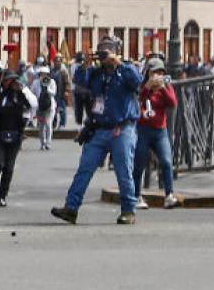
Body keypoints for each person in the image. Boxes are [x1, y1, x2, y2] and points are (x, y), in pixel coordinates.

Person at [52, 38, 142, 225]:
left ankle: (128, 210)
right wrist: (85, 63)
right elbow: (79, 80)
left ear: (116, 52)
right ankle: (71, 208)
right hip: (99, 129)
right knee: (84, 168)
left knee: (124, 171)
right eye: (101, 51)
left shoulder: (126, 69)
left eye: (107, 51)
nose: (103, 55)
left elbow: (137, 82)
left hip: (122, 128)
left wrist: (117, 63)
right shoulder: (95, 73)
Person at [133, 58, 181, 210]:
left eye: (161, 72)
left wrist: (163, 88)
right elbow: (135, 102)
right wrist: (147, 88)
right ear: (148, 73)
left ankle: (169, 195)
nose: (157, 76)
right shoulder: (142, 86)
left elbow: (172, 103)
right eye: (154, 72)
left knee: (166, 162)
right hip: (142, 129)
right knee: (139, 163)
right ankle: (136, 195)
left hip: (160, 130)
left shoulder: (165, 86)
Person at [0, 72, 33, 207]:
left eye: (13, 81)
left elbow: (31, 106)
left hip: (15, 136)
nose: (11, 83)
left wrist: (23, 91)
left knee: (8, 167)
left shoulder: (19, 95)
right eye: (9, 81)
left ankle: (2, 196)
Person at [32, 67, 57, 150]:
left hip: (50, 107)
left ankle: (48, 143)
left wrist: (47, 88)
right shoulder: (36, 83)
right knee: (41, 126)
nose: (43, 76)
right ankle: (43, 143)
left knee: (48, 124)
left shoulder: (52, 82)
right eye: (42, 74)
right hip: (40, 107)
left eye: (45, 74)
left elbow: (53, 93)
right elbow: (33, 93)